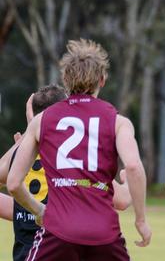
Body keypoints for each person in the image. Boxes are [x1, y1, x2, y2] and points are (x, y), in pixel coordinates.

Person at [7, 39, 151, 260]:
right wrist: (140, 220)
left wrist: (39, 211)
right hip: (105, 234)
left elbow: (14, 183)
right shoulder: (118, 121)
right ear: (102, 80)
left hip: (57, 232)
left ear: (65, 80)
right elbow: (133, 166)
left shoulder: (41, 121)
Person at [0, 85, 132, 261]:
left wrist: (25, 136)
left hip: (24, 253)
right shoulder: (70, 159)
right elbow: (122, 200)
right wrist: (128, 181)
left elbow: (9, 180)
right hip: (58, 248)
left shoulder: (18, 157)